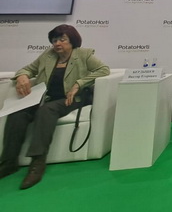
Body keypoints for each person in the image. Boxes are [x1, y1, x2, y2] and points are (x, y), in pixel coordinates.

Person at [0, 24, 109, 190]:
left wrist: (79, 84)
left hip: (72, 98)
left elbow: (103, 70)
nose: (57, 43)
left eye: (62, 39)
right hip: (46, 97)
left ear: (72, 40)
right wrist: (22, 76)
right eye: (54, 40)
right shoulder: (48, 55)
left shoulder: (84, 54)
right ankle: (9, 162)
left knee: (46, 110)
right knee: (18, 113)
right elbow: (28, 69)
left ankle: (37, 163)